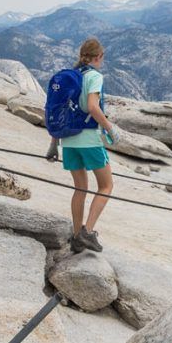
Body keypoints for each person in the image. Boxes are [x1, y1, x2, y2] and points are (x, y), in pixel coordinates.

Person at [51, 37, 115, 253]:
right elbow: (92, 107)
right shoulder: (94, 76)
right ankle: (88, 232)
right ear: (99, 57)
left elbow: (60, 112)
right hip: (89, 139)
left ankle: (77, 235)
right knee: (106, 186)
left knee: (80, 188)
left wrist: (54, 143)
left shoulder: (71, 77)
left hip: (68, 140)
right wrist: (110, 128)